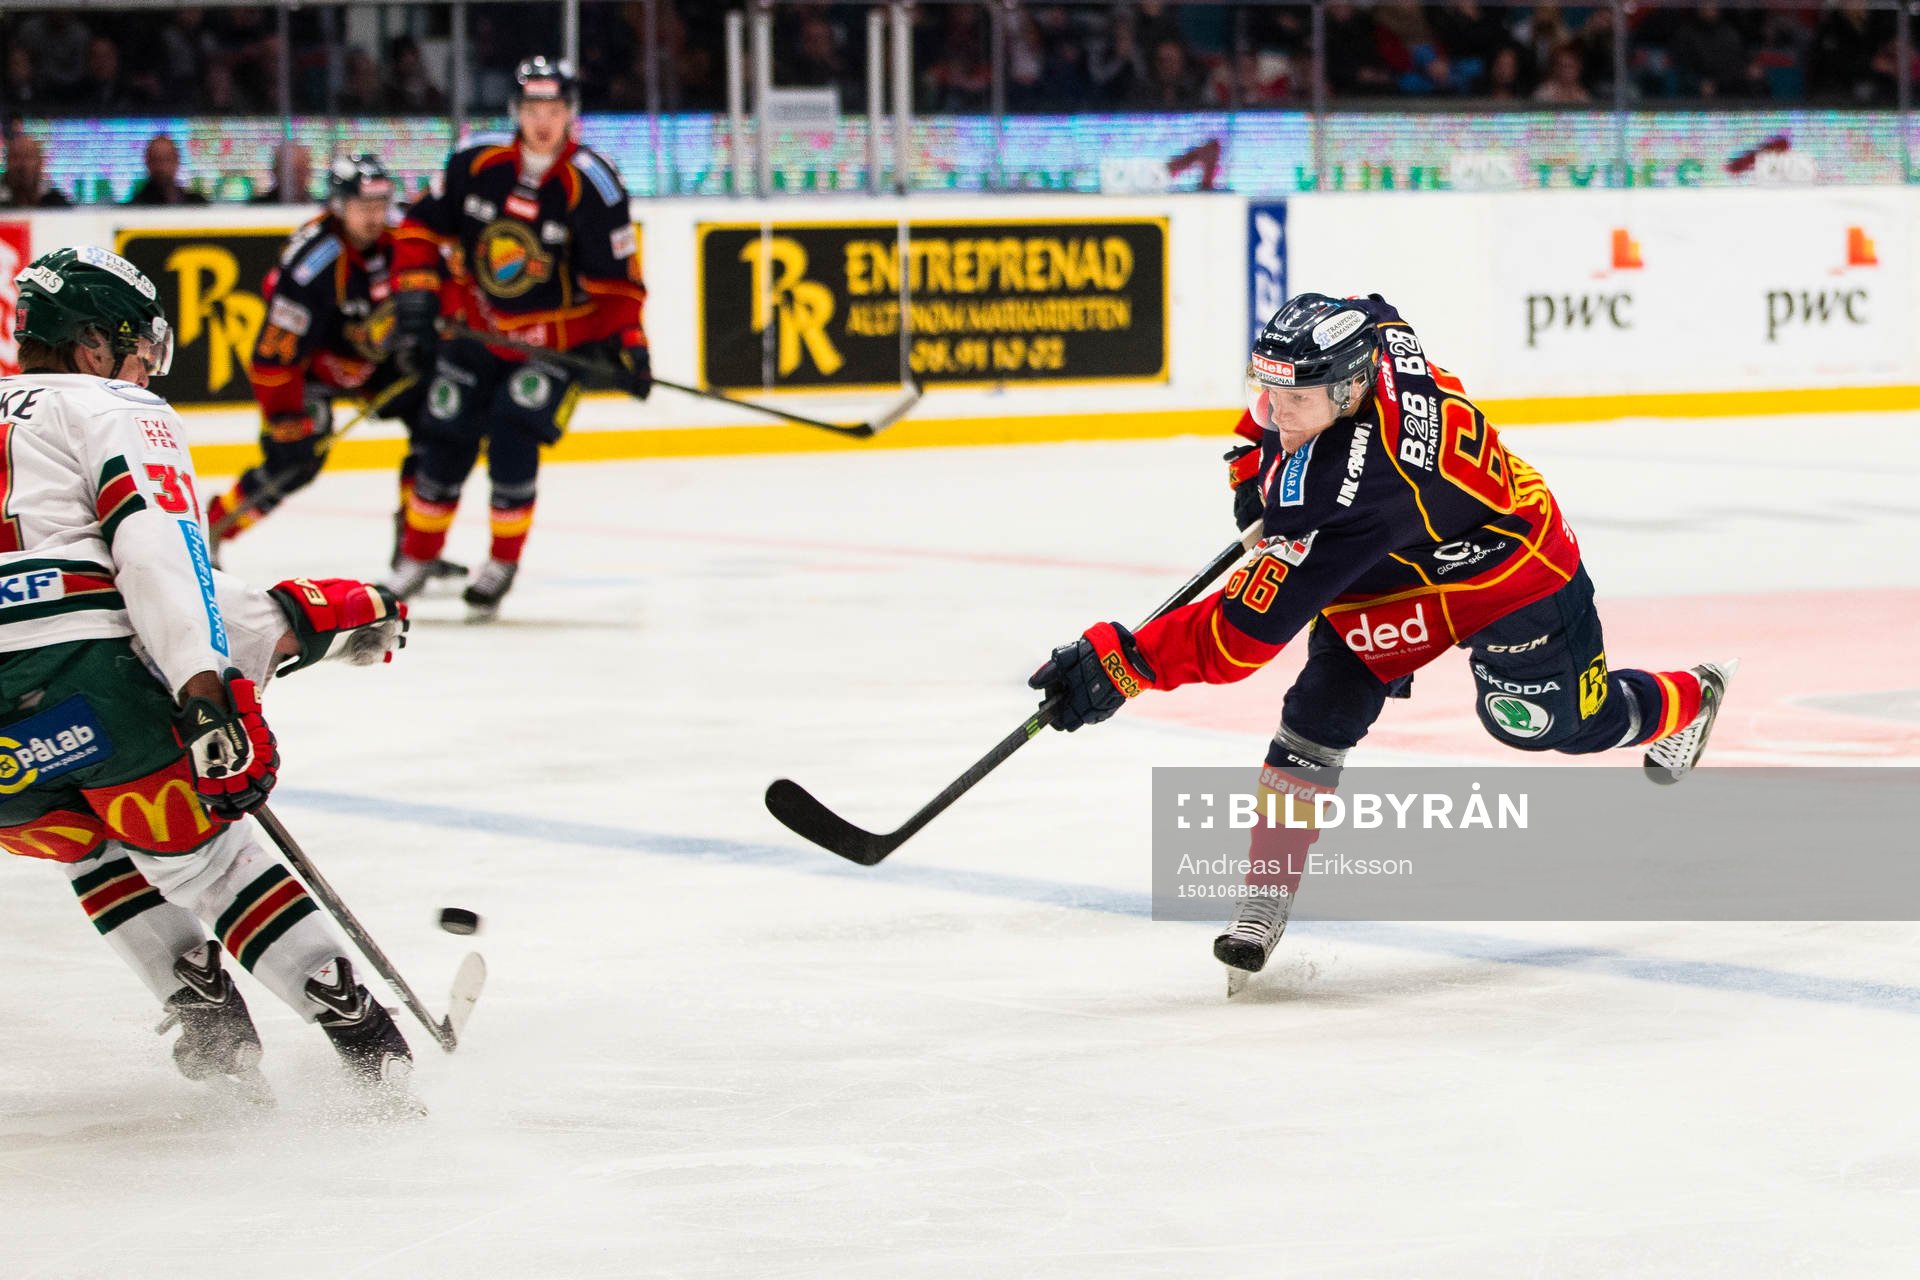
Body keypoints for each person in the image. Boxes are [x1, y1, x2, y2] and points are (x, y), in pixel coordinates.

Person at [1027, 293, 1735, 980]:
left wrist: (1127, 662)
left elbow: (1243, 634)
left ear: (1349, 390)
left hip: (1508, 572)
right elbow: (1361, 314)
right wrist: (1253, 466)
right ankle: (1264, 895)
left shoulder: (1349, 490)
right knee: (1317, 713)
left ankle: (1690, 699)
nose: (1276, 412)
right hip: (1394, 570)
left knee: (1546, 725)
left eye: (1295, 402)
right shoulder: (1368, 336)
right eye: (1269, 390)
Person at [2, 245, 418, 1107]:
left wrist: (313, 622)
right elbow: (153, 559)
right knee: (206, 860)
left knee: (83, 833)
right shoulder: (115, 404)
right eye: (138, 346)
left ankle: (205, 1012)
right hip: (89, 682)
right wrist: (209, 686)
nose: (147, 365)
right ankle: (368, 1044)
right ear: (91, 348)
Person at [385, 56, 649, 619]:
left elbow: (619, 283)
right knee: (444, 437)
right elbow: (418, 229)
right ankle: (417, 556)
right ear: (516, 112)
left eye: (553, 110)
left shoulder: (593, 184)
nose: (543, 121)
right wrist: (417, 305)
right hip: (473, 331)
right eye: (533, 109)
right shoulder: (476, 163)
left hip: (552, 344)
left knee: (512, 437)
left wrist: (629, 343)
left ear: (570, 113)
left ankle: (502, 561)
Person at [207, 155, 456, 582]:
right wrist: (285, 417)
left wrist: (436, 337)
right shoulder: (312, 264)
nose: (375, 216)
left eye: (381, 204)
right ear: (340, 206)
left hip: (378, 362)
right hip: (312, 371)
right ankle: (210, 529)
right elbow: (274, 356)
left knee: (437, 423)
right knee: (294, 462)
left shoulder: (402, 240)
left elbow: (446, 289)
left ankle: (413, 547)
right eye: (364, 206)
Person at [123, 134, 208, 206]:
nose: (162, 167)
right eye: (156, 159)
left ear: (177, 161)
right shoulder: (134, 207)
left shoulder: (197, 204)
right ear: (147, 162)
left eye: (167, 159)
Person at [0, 134, 71, 209]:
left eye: (28, 157)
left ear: (40, 163)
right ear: (7, 163)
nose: (22, 164)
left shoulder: (59, 205)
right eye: (15, 157)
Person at [249, 141, 314, 205]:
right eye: (288, 173)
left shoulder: (317, 207)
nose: (294, 179)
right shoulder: (258, 208)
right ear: (276, 171)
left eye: (299, 171)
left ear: (309, 172)